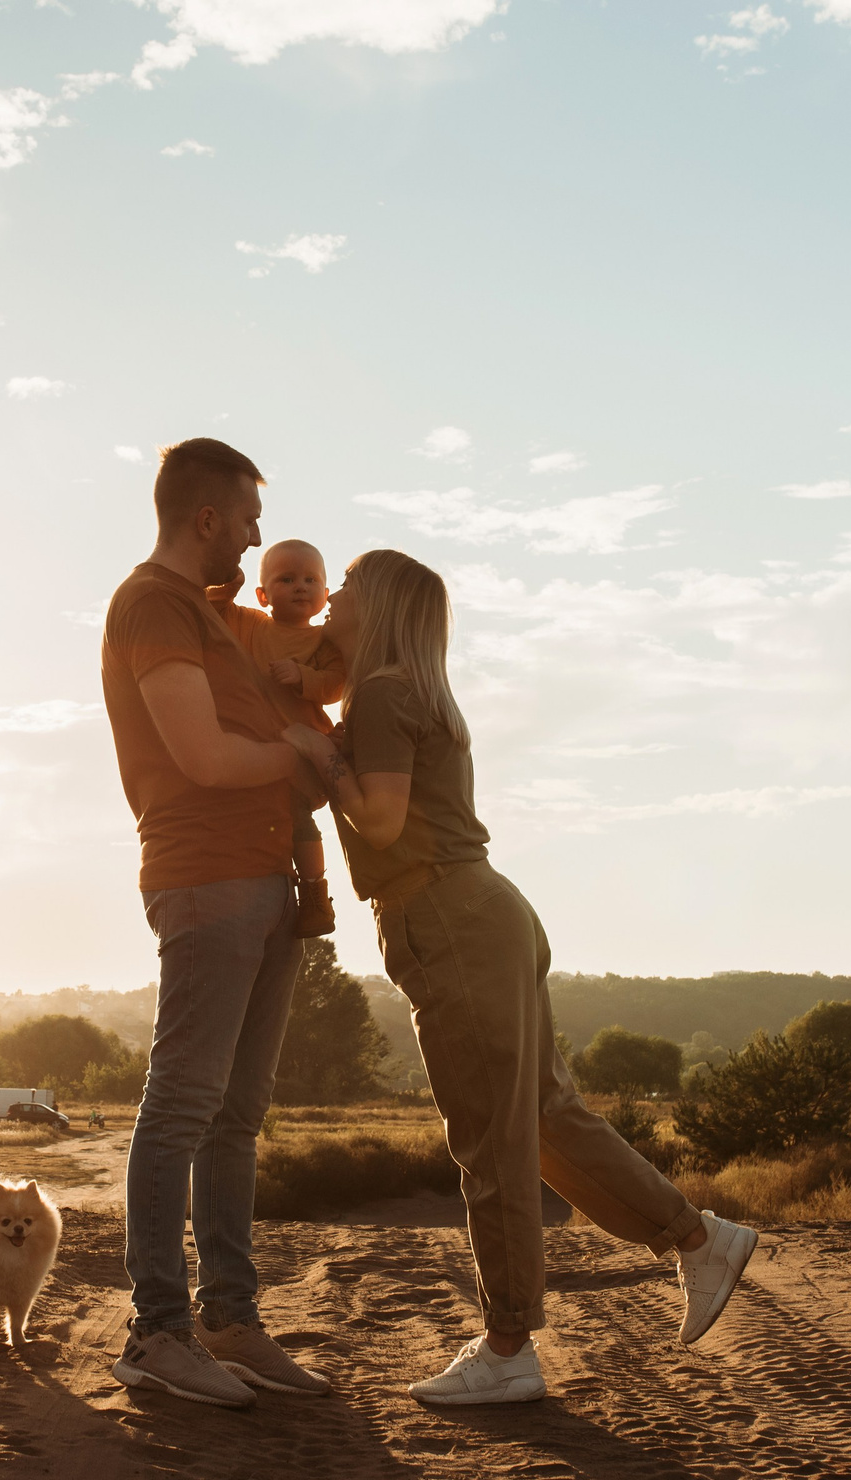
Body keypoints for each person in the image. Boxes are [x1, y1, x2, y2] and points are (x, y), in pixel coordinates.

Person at [287, 548, 759, 1407]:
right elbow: (307, 671)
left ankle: (509, 1346)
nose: (333, 597)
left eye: (349, 584)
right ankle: (699, 1239)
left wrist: (322, 758)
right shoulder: (409, 688)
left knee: (492, 1139)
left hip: (446, 920)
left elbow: (383, 822)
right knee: (540, 1118)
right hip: (485, 911)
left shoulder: (385, 693)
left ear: (382, 603)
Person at [98, 437, 335, 1409]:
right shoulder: (152, 603)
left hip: (262, 882)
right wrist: (291, 750)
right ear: (206, 519)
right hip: (207, 882)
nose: (252, 538)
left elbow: (303, 670)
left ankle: (228, 1318)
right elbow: (198, 755)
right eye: (246, 522)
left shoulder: (207, 618)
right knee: (185, 1102)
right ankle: (158, 1330)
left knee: (234, 1115)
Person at [206, 538, 347, 938]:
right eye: (286, 579)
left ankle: (315, 891)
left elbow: (338, 685)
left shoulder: (323, 641)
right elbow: (208, 610)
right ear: (263, 594)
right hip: (255, 750)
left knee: (297, 817)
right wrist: (227, 584)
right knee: (254, 814)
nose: (300, 586)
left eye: (310, 580)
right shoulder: (251, 623)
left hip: (304, 751)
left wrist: (304, 677)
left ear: (324, 594)